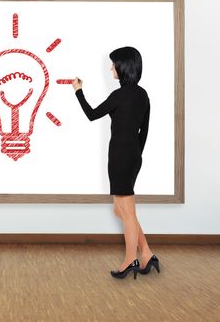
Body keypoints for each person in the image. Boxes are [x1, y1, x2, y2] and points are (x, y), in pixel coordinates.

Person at [72, 46, 160, 280]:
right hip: (132, 155)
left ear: (123, 67)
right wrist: (136, 155)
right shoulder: (143, 95)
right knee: (120, 209)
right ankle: (147, 253)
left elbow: (91, 114)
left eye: (114, 64)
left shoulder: (119, 96)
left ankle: (130, 260)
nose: (111, 68)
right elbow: (145, 131)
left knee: (127, 212)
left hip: (120, 155)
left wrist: (78, 91)